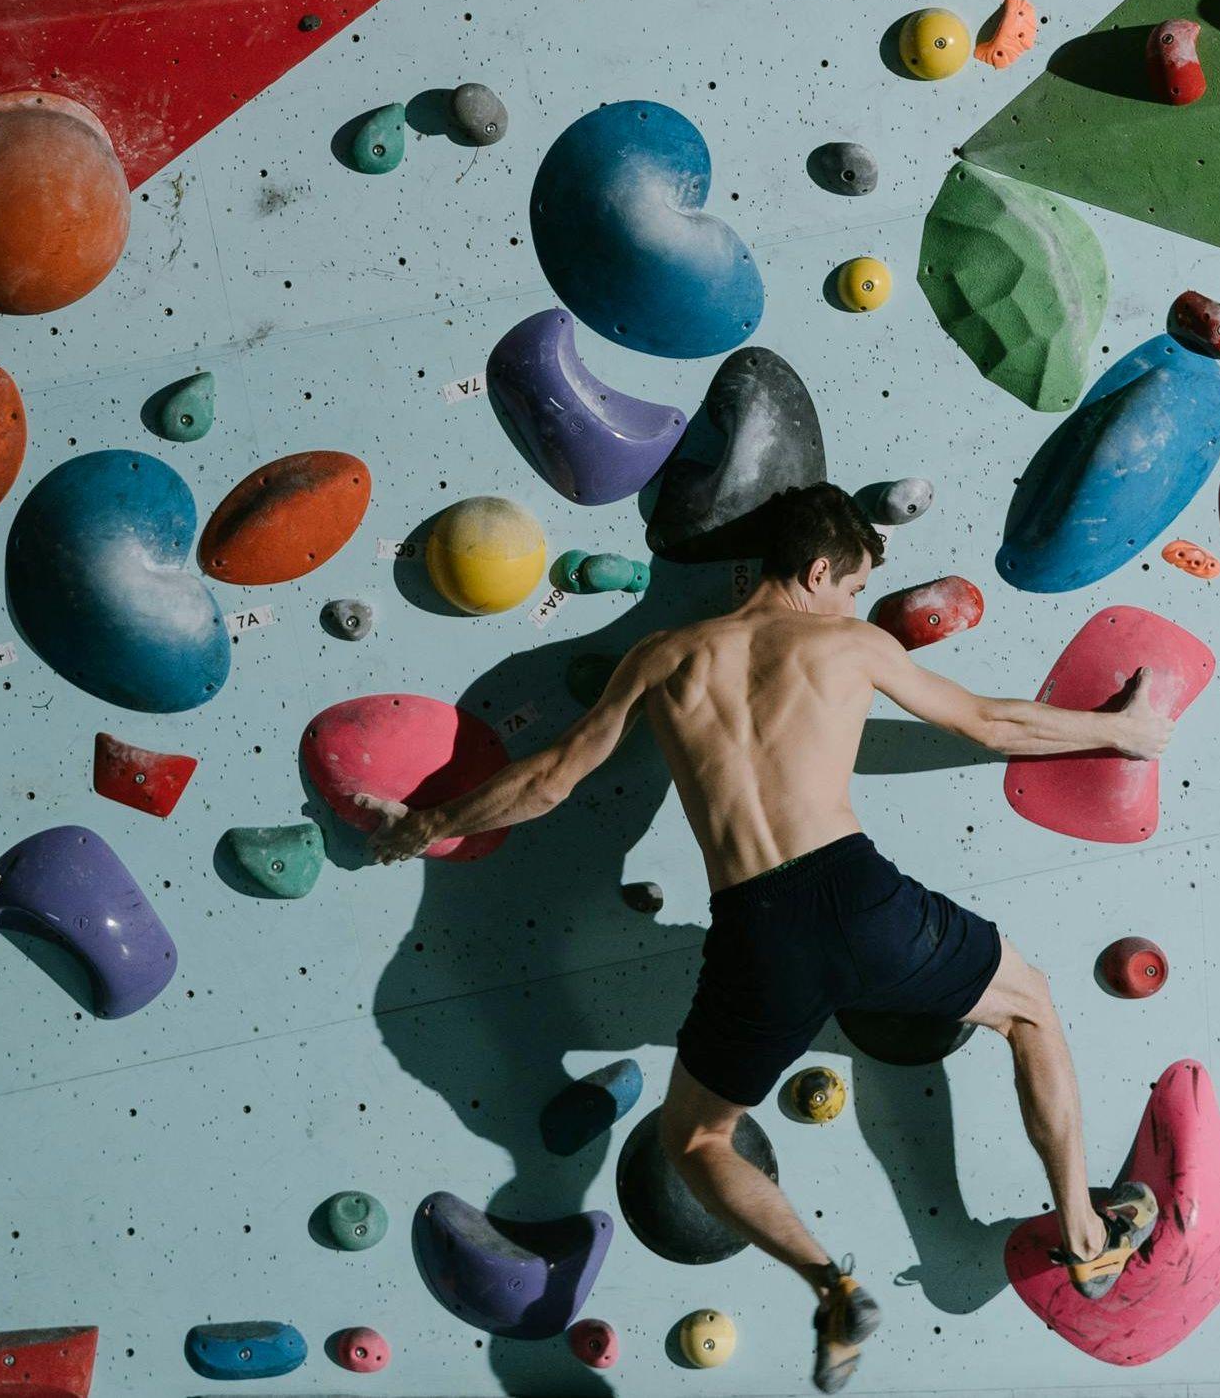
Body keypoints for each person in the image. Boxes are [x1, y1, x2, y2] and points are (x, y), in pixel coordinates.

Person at [357, 484, 1175, 1393]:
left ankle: (830, 1282)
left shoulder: (663, 656)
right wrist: (1124, 731)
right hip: (858, 894)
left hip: (755, 928)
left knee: (701, 1140)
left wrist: (424, 825)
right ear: (819, 570)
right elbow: (988, 722)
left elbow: (547, 780)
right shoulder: (848, 643)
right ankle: (1083, 1235)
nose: (854, 606)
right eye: (852, 585)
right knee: (1028, 1011)